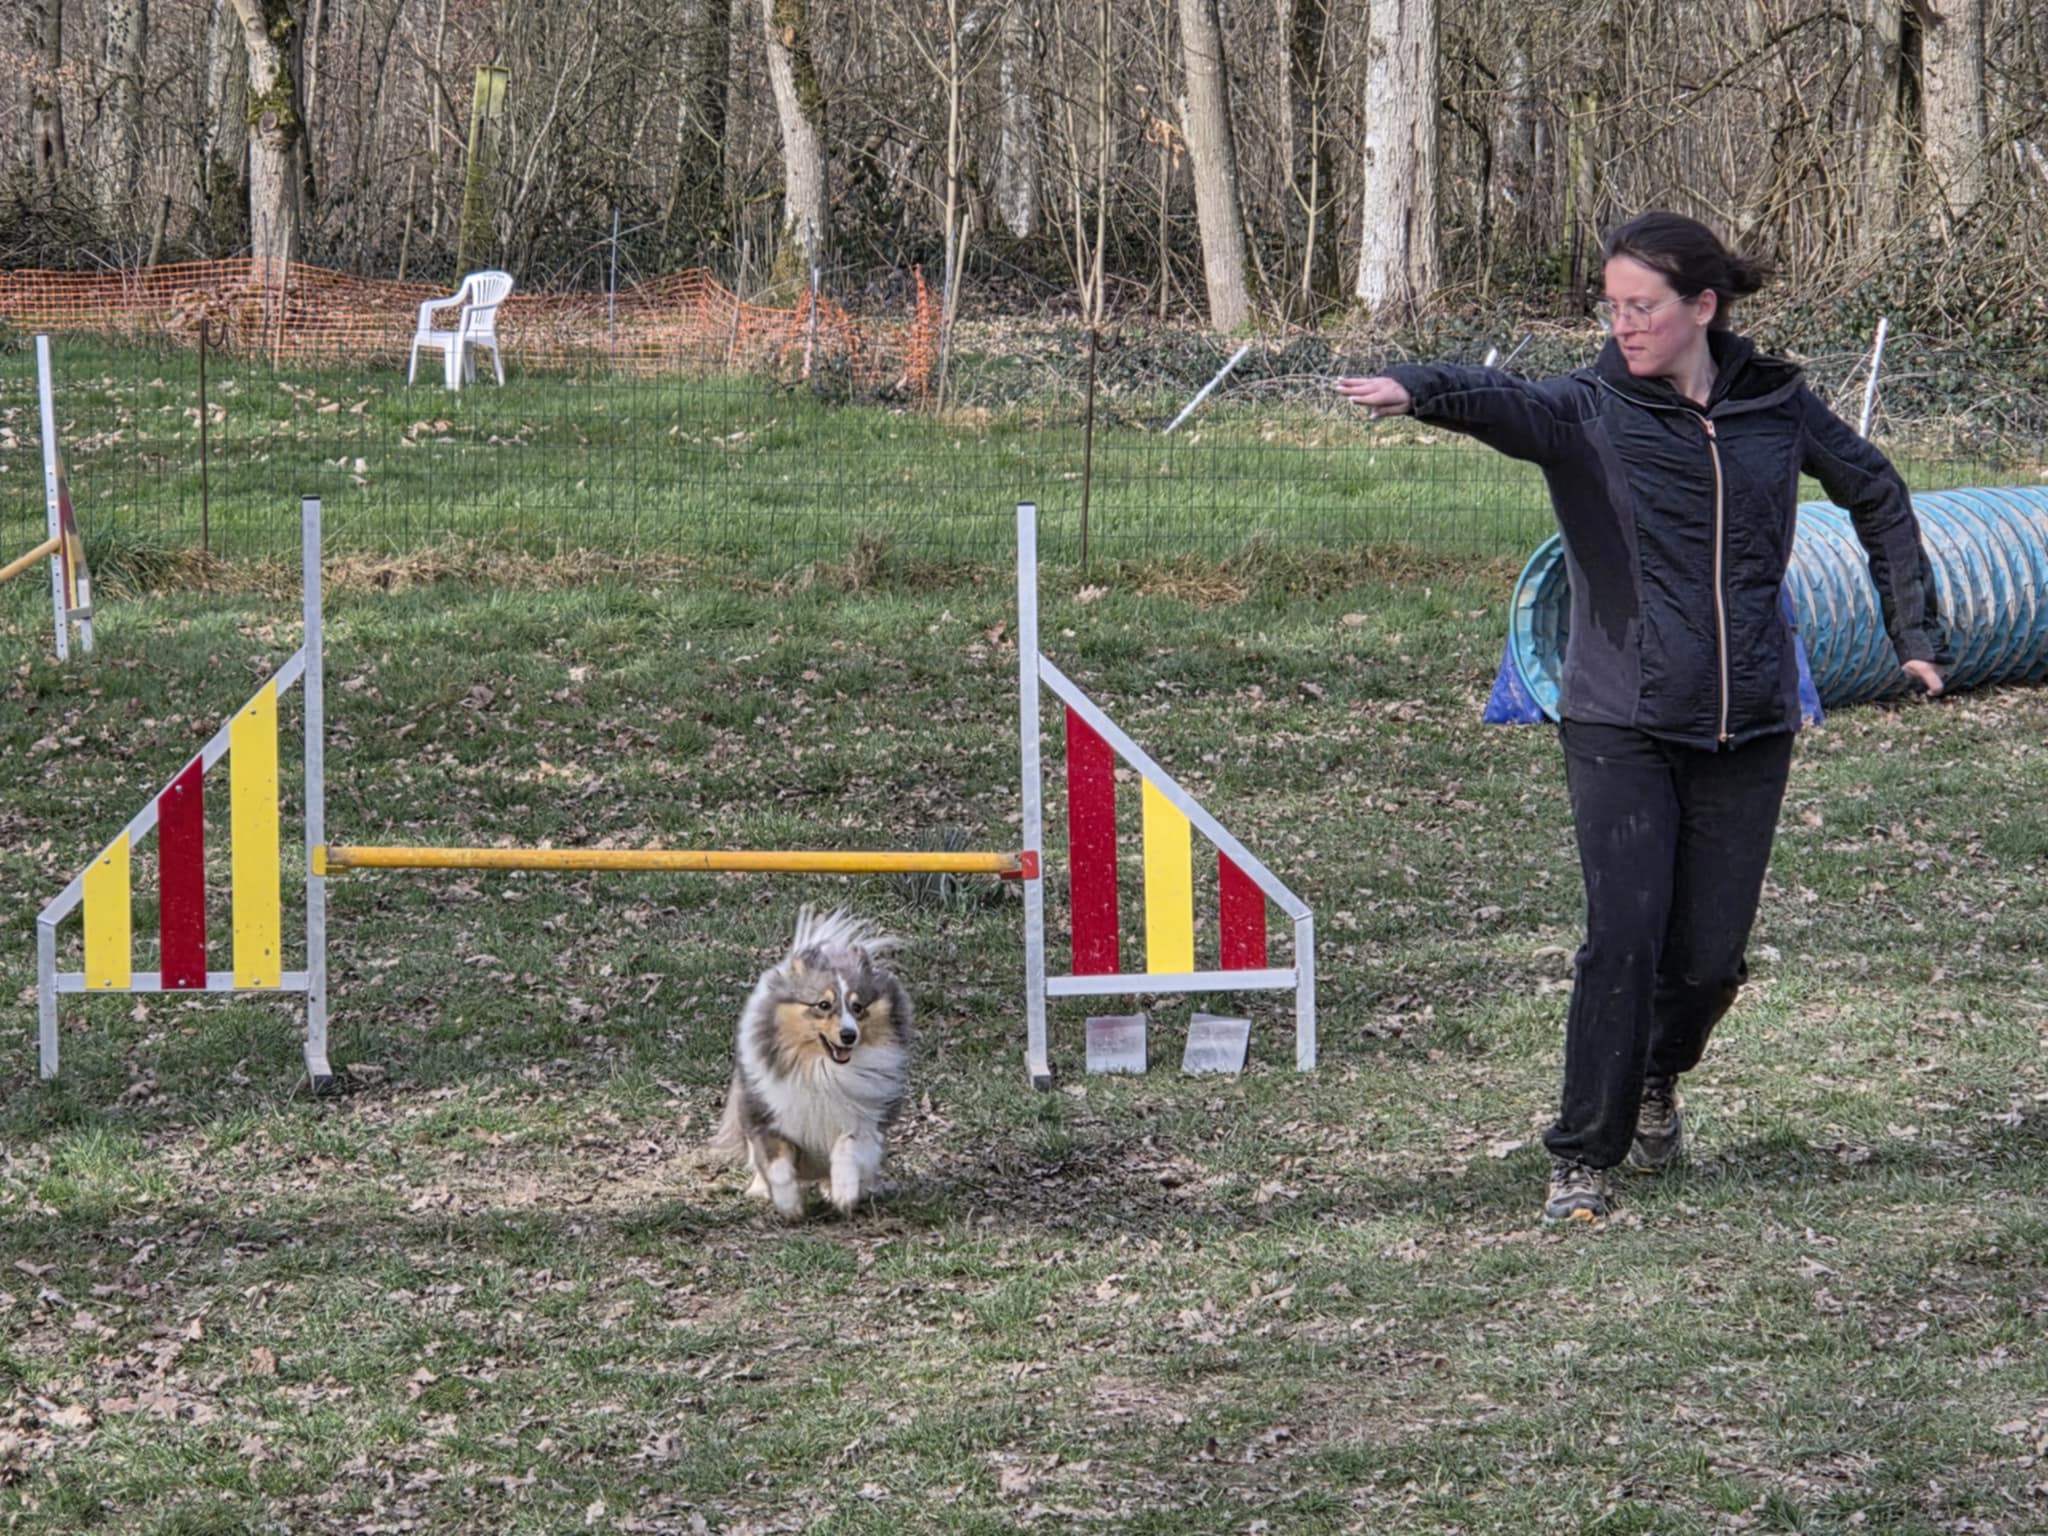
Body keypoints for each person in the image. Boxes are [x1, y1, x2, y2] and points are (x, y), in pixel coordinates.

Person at [1336, 211, 1950, 1223]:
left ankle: (1658, 1077)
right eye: (1609, 306)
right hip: (1617, 716)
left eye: (1641, 307)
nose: (1620, 325)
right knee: (1620, 938)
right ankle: (1580, 1153)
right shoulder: (1584, 411)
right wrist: (1415, 388)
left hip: (1748, 718)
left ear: (1700, 308)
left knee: (1706, 960)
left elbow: (1876, 491)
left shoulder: (1776, 407)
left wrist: (1912, 632)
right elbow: (1496, 399)